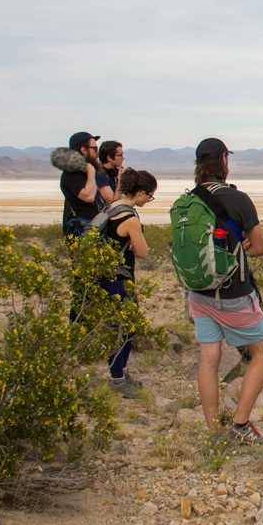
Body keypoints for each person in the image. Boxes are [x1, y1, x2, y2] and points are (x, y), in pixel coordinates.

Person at [187, 137, 263, 444]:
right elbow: (260, 247)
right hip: (234, 292)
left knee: (209, 356)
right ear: (224, 160)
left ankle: (213, 430)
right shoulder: (238, 199)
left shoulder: (187, 200)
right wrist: (245, 245)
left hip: (198, 292)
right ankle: (239, 424)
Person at [101, 168, 157, 397]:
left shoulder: (111, 206)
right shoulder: (130, 217)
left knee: (118, 326)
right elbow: (143, 252)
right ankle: (118, 379)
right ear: (141, 193)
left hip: (105, 275)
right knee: (122, 329)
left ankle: (121, 374)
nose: (149, 200)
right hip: (120, 278)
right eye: (150, 196)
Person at [60, 131, 101, 236]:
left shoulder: (83, 171)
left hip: (90, 226)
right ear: (83, 150)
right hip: (81, 231)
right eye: (94, 149)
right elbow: (88, 197)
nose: (97, 152)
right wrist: (91, 171)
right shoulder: (72, 172)